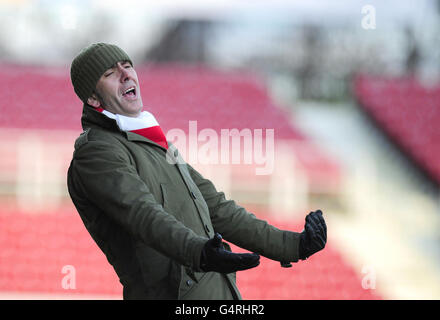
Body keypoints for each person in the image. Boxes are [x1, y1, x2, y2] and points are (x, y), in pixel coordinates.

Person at [67, 42, 327, 300]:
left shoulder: (150, 140)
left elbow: (216, 207)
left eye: (127, 66)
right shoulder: (97, 152)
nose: (126, 74)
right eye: (110, 73)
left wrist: (293, 245)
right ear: (92, 97)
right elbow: (143, 215)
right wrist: (199, 253)